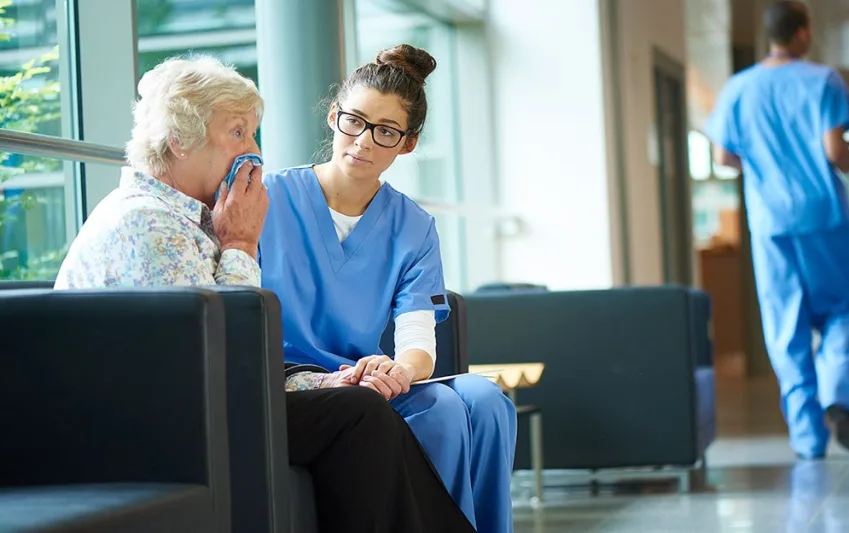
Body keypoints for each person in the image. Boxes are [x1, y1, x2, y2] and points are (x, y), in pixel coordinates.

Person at [53, 55, 475, 533]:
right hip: (155, 419)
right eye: (238, 134)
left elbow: (231, 361)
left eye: (252, 134)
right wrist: (239, 245)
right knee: (359, 415)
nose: (251, 150)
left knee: (361, 410)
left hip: (193, 403)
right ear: (179, 140)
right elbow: (225, 354)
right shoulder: (148, 223)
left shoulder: (191, 218)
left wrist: (329, 382)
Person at [257, 44, 517, 533]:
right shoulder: (268, 199)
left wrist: (397, 369)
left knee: (486, 401)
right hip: (299, 384)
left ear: (408, 143)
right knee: (440, 412)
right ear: (334, 117)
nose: (363, 142)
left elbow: (418, 341)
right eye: (354, 121)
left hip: (371, 379)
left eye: (386, 131)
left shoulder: (413, 226)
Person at [704, 0, 849, 459]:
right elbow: (835, 151)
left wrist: (759, 164)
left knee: (785, 326)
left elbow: (722, 156)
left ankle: (807, 438)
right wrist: (847, 157)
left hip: (771, 221)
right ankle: (838, 398)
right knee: (842, 312)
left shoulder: (739, 88)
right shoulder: (823, 81)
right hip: (824, 216)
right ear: (802, 33)